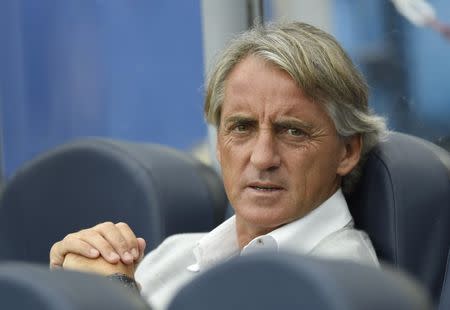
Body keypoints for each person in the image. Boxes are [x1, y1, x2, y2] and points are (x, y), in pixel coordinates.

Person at [49, 21, 387, 309]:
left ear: (347, 151)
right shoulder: (176, 254)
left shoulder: (343, 281)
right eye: (242, 127)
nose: (262, 157)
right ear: (218, 145)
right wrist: (74, 288)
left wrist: (112, 296)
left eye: (292, 131)